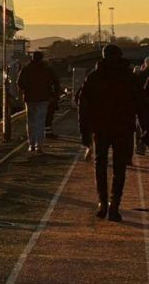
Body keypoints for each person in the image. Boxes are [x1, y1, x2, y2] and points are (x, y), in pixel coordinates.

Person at [77, 44, 148, 222]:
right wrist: (145, 129)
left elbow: (83, 106)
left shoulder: (94, 76)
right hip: (123, 127)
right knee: (119, 167)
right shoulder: (129, 77)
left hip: (100, 127)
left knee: (100, 164)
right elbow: (141, 105)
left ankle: (102, 203)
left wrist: (84, 132)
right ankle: (114, 205)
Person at [17, 51, 60, 155]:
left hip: (30, 99)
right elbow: (56, 81)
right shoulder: (47, 69)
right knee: (40, 122)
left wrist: (25, 90)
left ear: (32, 58)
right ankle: (39, 146)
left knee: (31, 122)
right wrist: (54, 95)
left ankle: (31, 144)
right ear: (42, 58)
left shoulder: (26, 69)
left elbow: (20, 83)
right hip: (44, 99)